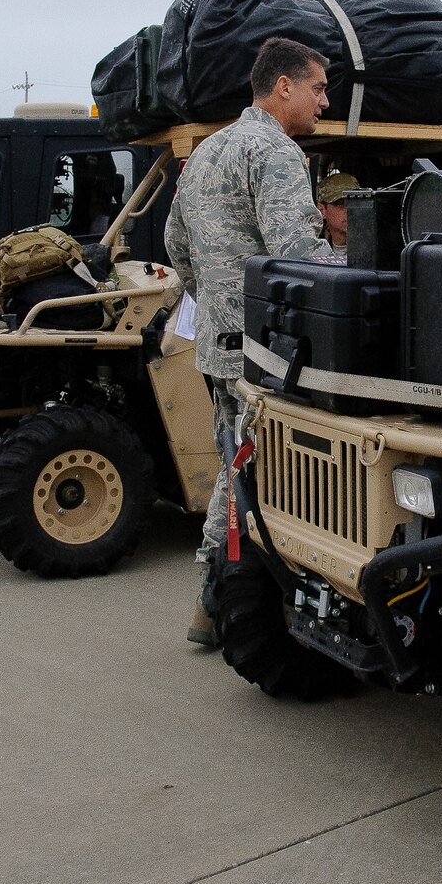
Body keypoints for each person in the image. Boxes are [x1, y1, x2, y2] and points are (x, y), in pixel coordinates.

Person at [165, 37, 334, 644]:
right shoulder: (277, 152)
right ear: (282, 86)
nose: (324, 100)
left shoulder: (209, 151)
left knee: (235, 468)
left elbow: (174, 244)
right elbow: (298, 257)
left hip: (218, 347)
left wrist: (214, 299)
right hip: (267, 355)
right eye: (317, 87)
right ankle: (217, 600)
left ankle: (214, 604)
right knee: (251, 475)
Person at [314, 171, 358, 260]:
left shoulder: (373, 247)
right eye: (341, 204)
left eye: (355, 202)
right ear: (322, 210)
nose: (349, 209)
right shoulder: (314, 248)